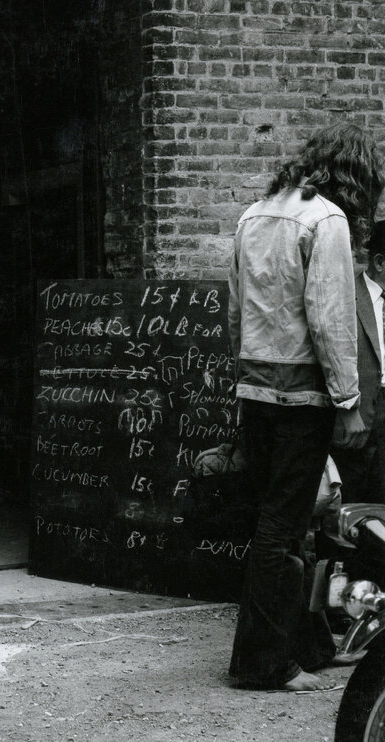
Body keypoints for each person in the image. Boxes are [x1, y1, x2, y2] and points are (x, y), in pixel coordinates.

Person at [227, 122, 385, 691]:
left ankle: (307, 647)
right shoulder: (329, 220)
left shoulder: (254, 213)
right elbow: (331, 318)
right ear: (356, 176)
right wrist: (348, 400)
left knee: (284, 524)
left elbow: (235, 313)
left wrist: (239, 385)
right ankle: (263, 665)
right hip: (304, 397)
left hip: (256, 392)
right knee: (283, 530)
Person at [331, 221, 385, 507]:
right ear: (379, 261)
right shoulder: (344, 294)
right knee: (347, 507)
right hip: (358, 413)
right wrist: (346, 409)